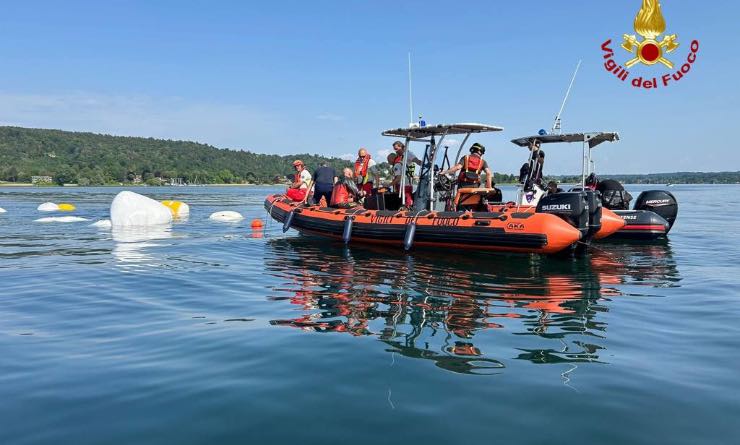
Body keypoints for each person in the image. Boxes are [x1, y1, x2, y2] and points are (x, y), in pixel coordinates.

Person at [389, 140, 422, 207]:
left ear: (401, 147)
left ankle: (408, 209)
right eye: (394, 150)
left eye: (396, 149)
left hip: (405, 183)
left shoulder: (408, 154)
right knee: (402, 200)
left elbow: (417, 161)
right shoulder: (401, 156)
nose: (396, 151)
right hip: (402, 184)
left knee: (407, 200)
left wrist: (426, 164)